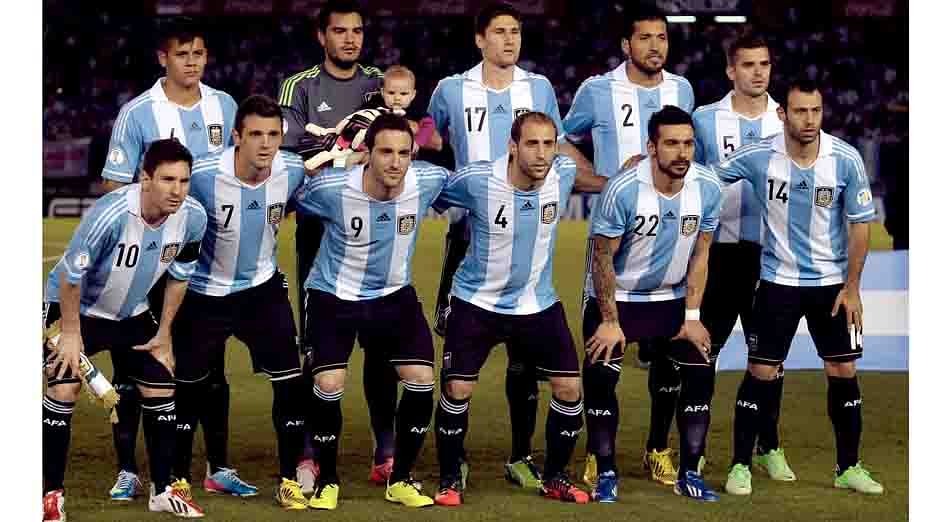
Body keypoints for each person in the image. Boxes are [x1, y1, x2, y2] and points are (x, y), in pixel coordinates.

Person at [427, 2, 586, 489]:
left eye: (515, 32)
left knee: (525, 359)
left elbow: (556, 146)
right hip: (469, 233)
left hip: (527, 234)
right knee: (459, 365)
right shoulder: (452, 88)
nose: (509, 40)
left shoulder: (537, 88)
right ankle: (453, 462)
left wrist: (612, 177)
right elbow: (430, 133)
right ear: (480, 39)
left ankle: (521, 456)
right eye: (499, 32)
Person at [714, 76, 884, 496]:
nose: (809, 120)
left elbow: (861, 226)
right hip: (777, 282)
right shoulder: (757, 157)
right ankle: (740, 466)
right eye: (800, 111)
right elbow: (706, 179)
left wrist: (854, 287)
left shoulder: (844, 158)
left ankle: (848, 467)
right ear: (782, 114)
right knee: (761, 370)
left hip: (831, 286)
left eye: (816, 111)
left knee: (844, 368)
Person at [97, 18, 242, 501]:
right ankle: (127, 469)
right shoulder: (137, 113)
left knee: (208, 367)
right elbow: (115, 188)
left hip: (207, 258)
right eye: (183, 54)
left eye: (199, 53)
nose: (192, 62)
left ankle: (217, 466)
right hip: (145, 266)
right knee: (133, 367)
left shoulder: (224, 106)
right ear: (164, 58)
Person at [432, 112, 606, 507]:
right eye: (532, 144)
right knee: (458, 388)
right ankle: (449, 477)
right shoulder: (477, 181)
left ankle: (555, 476)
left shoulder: (562, 173)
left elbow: (591, 179)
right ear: (513, 147)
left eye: (549, 144)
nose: (543, 153)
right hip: (477, 301)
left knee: (569, 388)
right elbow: (429, 192)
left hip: (536, 302)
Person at [563, 5, 695, 488]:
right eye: (645, 38)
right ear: (626, 45)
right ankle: (600, 454)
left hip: (670, 247)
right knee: (603, 355)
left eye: (662, 37)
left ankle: (658, 448)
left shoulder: (681, 90)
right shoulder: (598, 90)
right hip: (612, 244)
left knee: (668, 358)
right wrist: (601, 181)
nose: (655, 46)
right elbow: (557, 139)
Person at [43, 139, 208, 520]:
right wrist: (70, 335)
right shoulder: (111, 213)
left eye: (184, 180)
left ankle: (162, 490)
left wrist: (164, 332)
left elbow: (180, 277)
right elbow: (70, 277)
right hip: (74, 308)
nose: (177, 190)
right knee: (63, 386)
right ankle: (50, 495)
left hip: (130, 312)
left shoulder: (193, 217)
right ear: (145, 178)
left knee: (161, 384)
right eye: (167, 179)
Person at [295, 114, 445, 510]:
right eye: (385, 152)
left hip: (394, 295)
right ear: (367, 154)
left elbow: (475, 187)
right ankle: (327, 479)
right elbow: (288, 194)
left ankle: (401, 479)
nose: (395, 162)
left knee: (421, 379)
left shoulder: (426, 181)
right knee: (328, 384)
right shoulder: (331, 189)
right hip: (334, 294)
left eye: (403, 153)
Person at [277, 0, 396, 488]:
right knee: (317, 346)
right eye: (340, 31)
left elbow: (397, 131)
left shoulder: (377, 80)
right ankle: (309, 451)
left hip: (377, 230)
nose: (350, 39)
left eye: (357, 31)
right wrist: (348, 145)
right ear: (320, 36)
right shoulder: (299, 86)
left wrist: (331, 148)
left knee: (382, 345)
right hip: (320, 230)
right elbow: (289, 145)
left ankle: (385, 448)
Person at [171, 95, 311, 509]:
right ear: (236, 137)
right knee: (188, 390)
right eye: (255, 135)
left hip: (262, 291)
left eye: (273, 134)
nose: (265, 144)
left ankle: (288, 480)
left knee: (290, 384)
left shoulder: (293, 170)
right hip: (204, 294)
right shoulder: (202, 174)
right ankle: (178, 479)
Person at [582, 106, 723, 503]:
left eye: (689, 143)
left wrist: (693, 317)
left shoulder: (707, 187)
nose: (682, 152)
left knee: (697, 370)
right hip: (620, 297)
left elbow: (701, 256)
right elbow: (602, 258)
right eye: (672, 143)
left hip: (671, 299)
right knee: (602, 375)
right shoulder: (624, 189)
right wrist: (610, 320)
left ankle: (686, 471)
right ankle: (604, 467)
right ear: (651, 146)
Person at [691, 31, 796, 483]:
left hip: (773, 259)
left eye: (765, 65)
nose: (758, 73)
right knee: (701, 355)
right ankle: (693, 450)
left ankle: (767, 446)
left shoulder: (786, 119)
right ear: (730, 70)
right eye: (748, 65)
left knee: (770, 361)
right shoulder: (706, 119)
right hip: (717, 256)